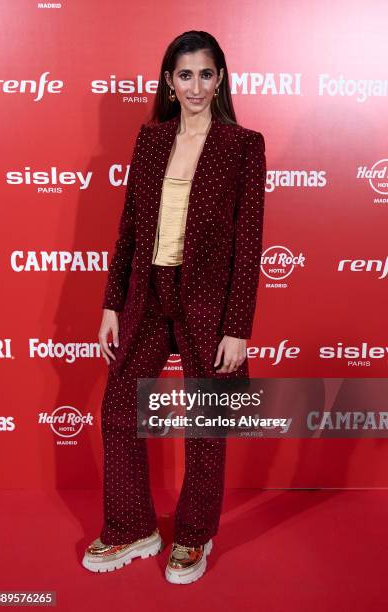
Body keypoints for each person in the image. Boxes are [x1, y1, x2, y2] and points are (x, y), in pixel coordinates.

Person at [82, 30, 266, 584]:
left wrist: (238, 327)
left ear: (221, 80)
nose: (195, 86)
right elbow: (131, 227)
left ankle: (193, 536)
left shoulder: (243, 145)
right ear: (168, 81)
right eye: (184, 75)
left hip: (209, 304)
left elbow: (249, 241)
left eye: (205, 74)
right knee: (118, 412)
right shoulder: (151, 140)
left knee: (207, 423)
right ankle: (133, 526)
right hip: (147, 293)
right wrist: (113, 301)